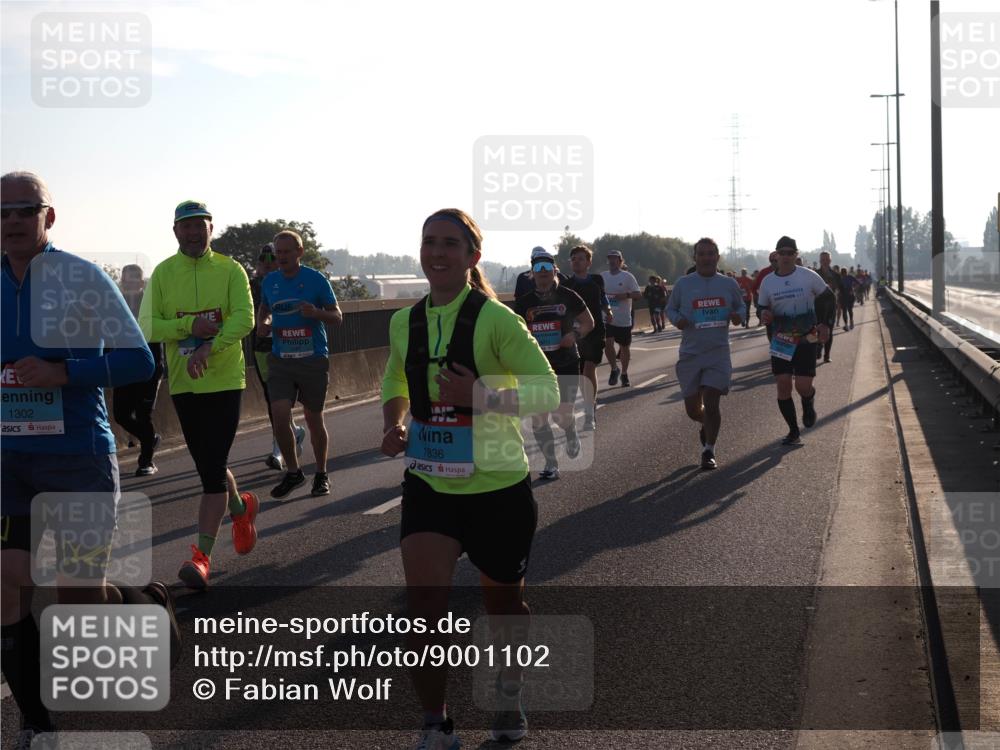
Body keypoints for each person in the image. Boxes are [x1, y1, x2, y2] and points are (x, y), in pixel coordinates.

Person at [1, 172, 180, 747]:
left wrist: (64, 372)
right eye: (2, 211)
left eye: (26, 209)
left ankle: (141, 603)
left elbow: (137, 363)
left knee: (78, 597)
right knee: (7, 588)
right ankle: (37, 725)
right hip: (8, 463)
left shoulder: (82, 278)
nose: (12, 220)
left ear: (48, 218)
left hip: (76, 458)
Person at [380, 208, 558, 749]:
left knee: (503, 606)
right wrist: (395, 421)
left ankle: (509, 692)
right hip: (430, 484)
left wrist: (478, 396)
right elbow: (395, 377)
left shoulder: (497, 320)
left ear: (471, 256)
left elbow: (553, 392)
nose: (437, 252)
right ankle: (436, 725)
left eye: (450, 244)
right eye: (429, 242)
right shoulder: (403, 321)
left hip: (498, 487)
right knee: (423, 611)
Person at [139, 200, 258, 588]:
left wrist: (211, 345)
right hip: (185, 383)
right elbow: (147, 326)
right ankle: (240, 508)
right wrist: (191, 325)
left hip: (224, 381)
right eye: (185, 227)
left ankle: (202, 557)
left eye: (199, 226)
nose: (192, 233)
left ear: (211, 229)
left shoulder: (230, 269)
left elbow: (245, 318)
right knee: (209, 461)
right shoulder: (163, 273)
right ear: (175, 232)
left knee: (210, 472)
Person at [258, 229, 343, 498]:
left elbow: (337, 316)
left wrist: (316, 313)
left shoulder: (315, 280)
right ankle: (294, 472)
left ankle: (321, 473)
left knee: (313, 418)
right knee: (280, 415)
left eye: (286, 252)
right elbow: (264, 308)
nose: (281, 257)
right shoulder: (270, 281)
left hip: (312, 360)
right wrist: (262, 323)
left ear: (299, 252)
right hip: (281, 360)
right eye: (277, 252)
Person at [665, 238, 746, 469]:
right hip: (691, 353)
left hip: (718, 352)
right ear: (695, 257)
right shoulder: (684, 284)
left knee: (712, 401)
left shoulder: (728, 284)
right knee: (693, 410)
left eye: (711, 253)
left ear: (717, 257)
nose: (707, 258)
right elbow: (670, 308)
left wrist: (738, 316)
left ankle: (709, 450)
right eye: (702, 254)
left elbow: (741, 306)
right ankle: (706, 425)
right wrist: (677, 319)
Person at [514, 249, 594, 480]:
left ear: (554, 270)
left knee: (561, 415)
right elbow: (515, 333)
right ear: (532, 273)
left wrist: (574, 336)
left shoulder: (568, 296)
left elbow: (588, 322)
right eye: (537, 268)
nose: (542, 272)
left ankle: (570, 433)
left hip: (567, 360)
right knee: (538, 417)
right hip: (536, 366)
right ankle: (551, 462)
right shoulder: (524, 303)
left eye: (546, 268)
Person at [757, 236, 834, 445]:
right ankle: (793, 431)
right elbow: (761, 306)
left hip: (807, 337)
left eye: (790, 252)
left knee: (802, 385)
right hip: (781, 338)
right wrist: (764, 314)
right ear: (776, 255)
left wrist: (825, 323)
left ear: (796, 255)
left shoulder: (808, 276)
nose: (786, 256)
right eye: (782, 252)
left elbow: (829, 297)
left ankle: (808, 401)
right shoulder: (768, 282)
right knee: (783, 385)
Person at [250, 244, 306, 471]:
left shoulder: (293, 283)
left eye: (273, 257)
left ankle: (282, 444)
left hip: (290, 346)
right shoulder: (252, 286)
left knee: (282, 398)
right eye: (263, 258)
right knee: (272, 398)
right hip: (263, 348)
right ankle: (288, 437)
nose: (268, 261)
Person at [113, 263, 164, 476]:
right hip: (124, 365)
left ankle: (146, 461)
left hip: (150, 365)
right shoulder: (116, 302)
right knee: (120, 415)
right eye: (126, 280)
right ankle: (149, 439)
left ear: (142, 282)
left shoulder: (152, 302)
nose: (129, 283)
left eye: (134, 280)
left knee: (144, 415)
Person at [562, 244, 611, 431]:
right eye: (573, 259)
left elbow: (603, 298)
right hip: (575, 333)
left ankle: (589, 412)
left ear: (588, 262)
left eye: (581, 258)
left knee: (589, 369)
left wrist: (609, 310)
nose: (576, 262)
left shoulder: (597, 280)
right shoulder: (567, 284)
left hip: (596, 330)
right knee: (578, 372)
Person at [601, 250, 641, 387]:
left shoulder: (627, 277)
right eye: (610, 259)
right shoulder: (603, 276)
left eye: (615, 259)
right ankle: (614, 368)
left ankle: (624, 373)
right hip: (607, 317)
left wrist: (626, 295)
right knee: (608, 343)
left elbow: (638, 295)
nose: (612, 261)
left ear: (620, 261)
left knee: (624, 347)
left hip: (623, 319)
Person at [815, 252, 843, 363]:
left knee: (829, 331)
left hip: (831, 307)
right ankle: (818, 348)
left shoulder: (836, 275)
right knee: (816, 331)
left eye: (827, 259)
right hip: (817, 307)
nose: (825, 261)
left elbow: (841, 290)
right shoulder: (815, 274)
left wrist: (839, 300)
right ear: (820, 260)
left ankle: (827, 355)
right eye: (823, 259)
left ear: (830, 260)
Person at [752, 251, 779, 339]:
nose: (774, 263)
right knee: (771, 335)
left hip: (783, 309)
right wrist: (758, 301)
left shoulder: (786, 271)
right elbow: (754, 287)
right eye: (772, 261)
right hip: (768, 309)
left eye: (776, 260)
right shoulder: (764, 272)